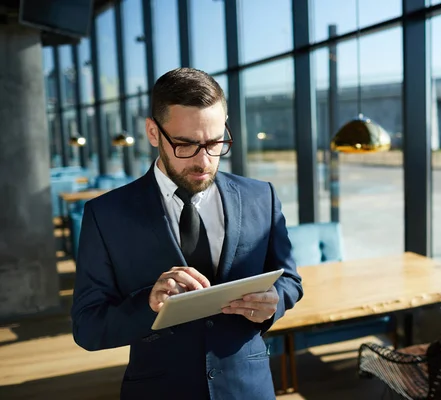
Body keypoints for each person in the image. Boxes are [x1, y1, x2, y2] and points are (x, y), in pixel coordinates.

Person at [71, 67, 303, 399]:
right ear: (153, 132)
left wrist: (275, 302)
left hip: (247, 387)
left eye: (215, 142)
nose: (203, 161)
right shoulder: (106, 215)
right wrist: (148, 304)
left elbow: (290, 280)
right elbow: (87, 327)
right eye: (185, 145)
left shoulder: (261, 197)